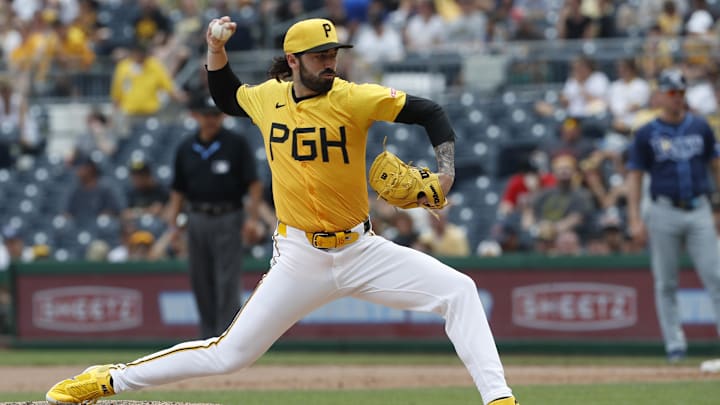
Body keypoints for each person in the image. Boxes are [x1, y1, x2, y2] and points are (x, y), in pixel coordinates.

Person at [45, 17, 518, 405]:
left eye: (334, 54)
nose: (330, 62)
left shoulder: (352, 98)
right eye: (320, 56)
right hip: (299, 257)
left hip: (361, 249)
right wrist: (214, 48)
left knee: (459, 291)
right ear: (293, 60)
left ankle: (499, 399)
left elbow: (430, 111)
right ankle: (109, 379)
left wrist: (446, 173)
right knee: (228, 355)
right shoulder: (269, 98)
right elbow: (227, 96)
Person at [626, 68, 720, 363]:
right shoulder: (646, 133)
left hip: (699, 207)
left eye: (680, 92)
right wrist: (634, 218)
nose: (677, 98)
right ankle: (674, 346)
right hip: (663, 209)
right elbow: (635, 177)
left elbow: (716, 166)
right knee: (666, 282)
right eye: (671, 93)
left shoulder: (700, 126)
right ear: (659, 95)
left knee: (716, 276)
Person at [165, 90, 265, 339]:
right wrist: (174, 228)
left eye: (216, 115)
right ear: (195, 115)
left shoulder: (235, 143)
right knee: (200, 280)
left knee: (227, 280)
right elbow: (178, 191)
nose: (211, 120)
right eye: (207, 115)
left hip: (228, 216)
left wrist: (252, 219)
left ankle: (227, 338)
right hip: (196, 217)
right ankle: (207, 338)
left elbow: (253, 184)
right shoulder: (186, 147)